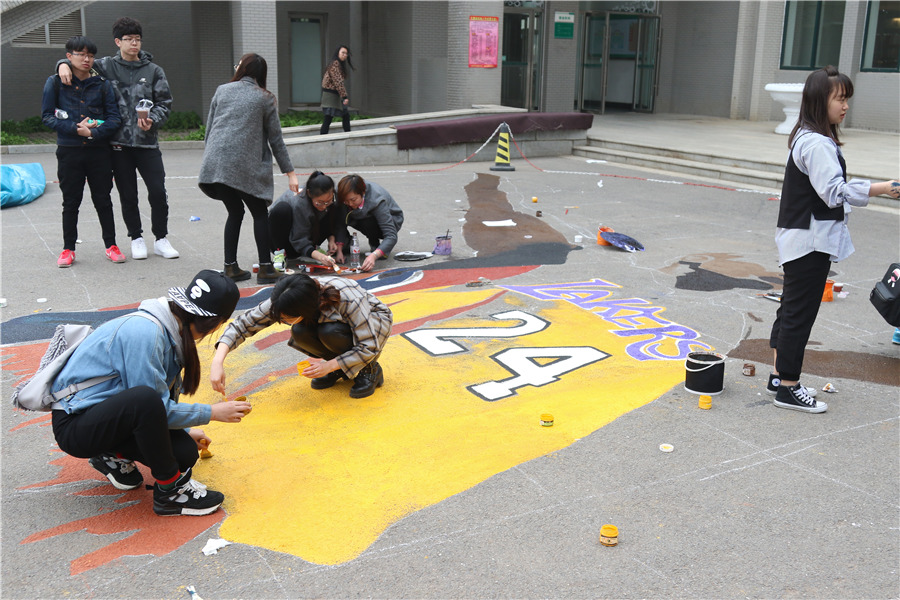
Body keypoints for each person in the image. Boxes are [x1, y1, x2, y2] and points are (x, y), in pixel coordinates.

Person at [50, 270, 251, 516]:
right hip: (75, 425)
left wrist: (186, 431)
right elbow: (150, 405)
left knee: (184, 453)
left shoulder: (171, 327)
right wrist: (212, 412)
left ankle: (108, 454)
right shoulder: (147, 333)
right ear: (216, 324)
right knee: (145, 399)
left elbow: (153, 410)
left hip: (103, 415)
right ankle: (171, 492)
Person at [767, 66, 900, 414]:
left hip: (799, 238)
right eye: (839, 98)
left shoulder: (805, 137)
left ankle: (780, 376)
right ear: (818, 99)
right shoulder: (816, 142)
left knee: (791, 309)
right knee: (799, 313)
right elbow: (833, 192)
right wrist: (882, 188)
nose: (845, 106)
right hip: (809, 241)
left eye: (846, 99)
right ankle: (789, 387)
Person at [58, 16, 179, 261]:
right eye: (128, 39)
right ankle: (135, 237)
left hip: (147, 142)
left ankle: (161, 238)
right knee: (127, 193)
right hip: (118, 144)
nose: (134, 44)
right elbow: (80, 62)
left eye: (137, 39)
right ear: (117, 42)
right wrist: (62, 63)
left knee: (157, 191)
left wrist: (153, 119)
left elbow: (165, 103)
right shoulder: (105, 66)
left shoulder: (154, 71)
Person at [198, 53, 300, 285]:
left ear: (241, 69)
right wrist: (290, 173)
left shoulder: (222, 90)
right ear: (261, 74)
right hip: (243, 166)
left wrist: (214, 159)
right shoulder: (264, 97)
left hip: (216, 164)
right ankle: (265, 268)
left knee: (235, 212)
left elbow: (209, 130)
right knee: (259, 214)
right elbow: (276, 139)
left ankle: (230, 267)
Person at [211, 273, 392, 399]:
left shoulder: (347, 298)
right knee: (299, 331)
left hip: (373, 325)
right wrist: (218, 362)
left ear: (304, 309)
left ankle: (370, 369)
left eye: (285, 317)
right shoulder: (285, 298)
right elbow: (242, 324)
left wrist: (327, 366)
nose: (281, 320)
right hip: (336, 325)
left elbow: (368, 344)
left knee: (330, 332)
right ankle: (340, 367)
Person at [41, 36, 124, 268]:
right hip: (69, 151)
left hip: (98, 151)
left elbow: (114, 118)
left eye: (90, 55)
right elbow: (47, 116)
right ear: (69, 57)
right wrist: (74, 130)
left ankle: (111, 245)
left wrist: (93, 134)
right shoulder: (55, 82)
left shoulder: (103, 84)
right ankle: (68, 249)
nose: (87, 59)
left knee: (103, 200)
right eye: (81, 55)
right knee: (71, 202)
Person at [269, 170, 342, 269]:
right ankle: (280, 253)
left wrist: (331, 239)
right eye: (319, 202)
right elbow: (298, 238)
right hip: (287, 241)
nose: (324, 206)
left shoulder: (332, 197)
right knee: (282, 210)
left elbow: (331, 221)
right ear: (309, 193)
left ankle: (312, 249)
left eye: (328, 201)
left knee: (333, 209)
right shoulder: (300, 203)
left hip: (305, 237)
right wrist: (319, 256)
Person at [336, 174, 405, 271]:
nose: (350, 204)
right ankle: (346, 243)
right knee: (338, 213)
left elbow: (391, 236)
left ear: (363, 192)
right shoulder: (341, 193)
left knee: (367, 222)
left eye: (353, 200)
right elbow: (340, 222)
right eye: (346, 201)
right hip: (362, 216)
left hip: (391, 221)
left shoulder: (376, 199)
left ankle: (378, 247)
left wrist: (374, 256)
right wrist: (339, 250)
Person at [319, 45, 354, 135]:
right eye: (343, 52)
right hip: (331, 95)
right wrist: (344, 96)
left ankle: (347, 134)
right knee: (329, 117)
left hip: (334, 94)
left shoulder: (338, 64)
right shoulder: (335, 64)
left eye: (346, 53)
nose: (345, 55)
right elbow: (338, 82)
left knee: (342, 115)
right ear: (337, 53)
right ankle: (323, 137)